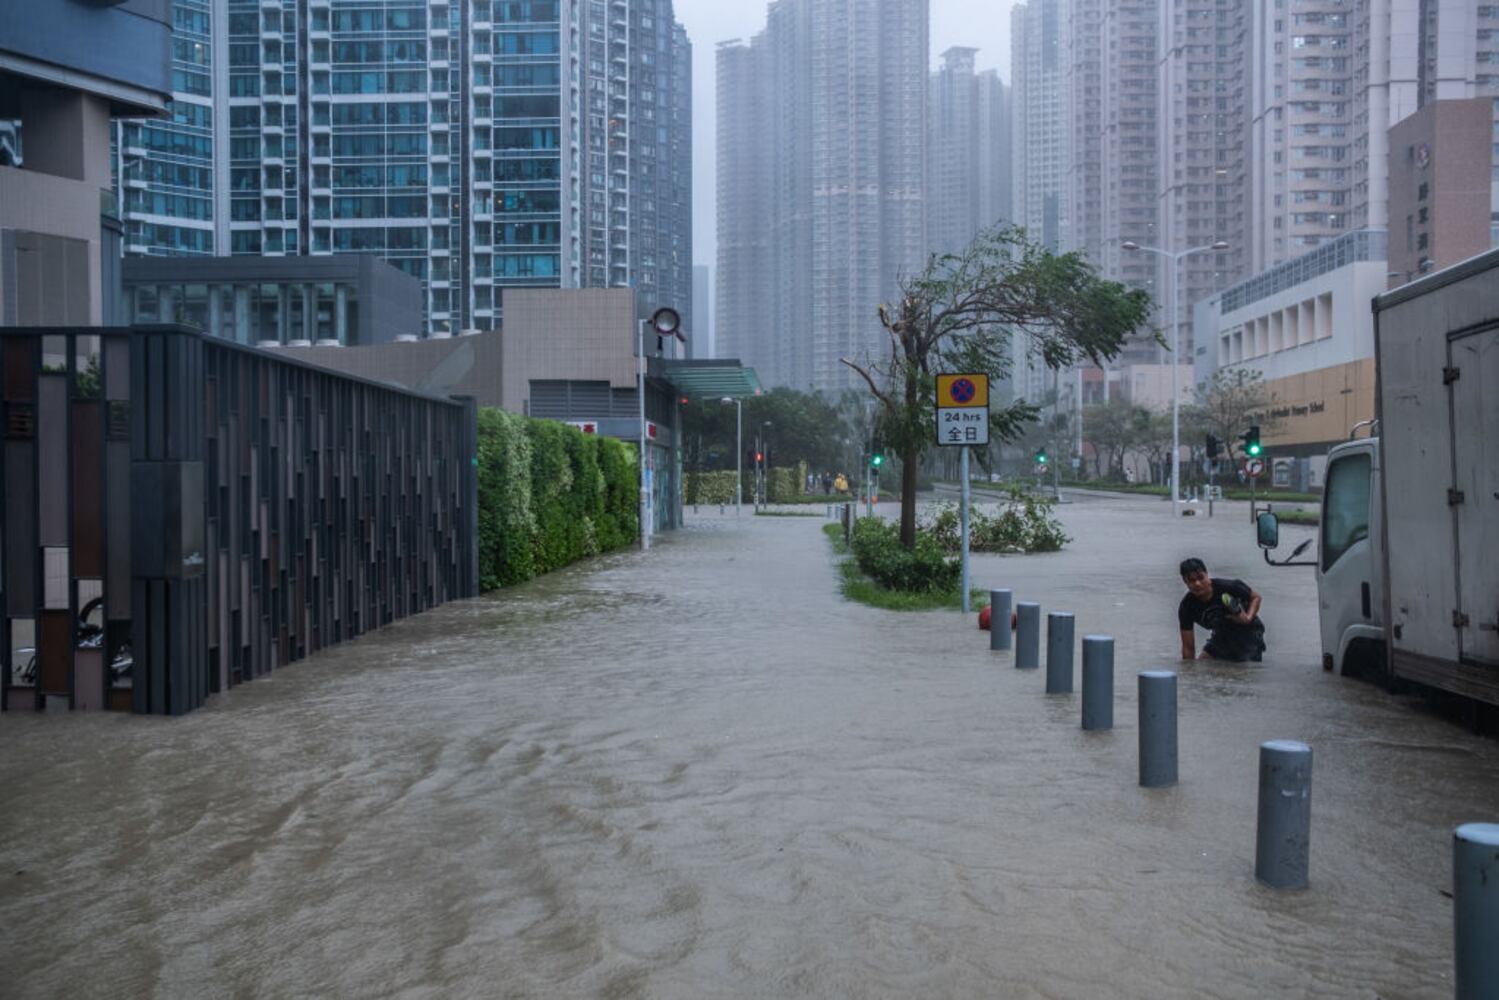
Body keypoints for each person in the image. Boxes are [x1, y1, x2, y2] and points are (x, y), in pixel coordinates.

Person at [1177, 557, 1266, 662]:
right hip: (1221, 635)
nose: (1197, 584)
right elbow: (1188, 647)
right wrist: (1188, 673)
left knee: (1243, 671)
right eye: (1191, 581)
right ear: (1185, 582)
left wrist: (1248, 618)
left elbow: (1256, 597)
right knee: (1203, 663)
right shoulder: (1187, 607)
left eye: (1200, 578)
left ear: (1207, 575)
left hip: (1249, 631)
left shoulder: (1228, 587)